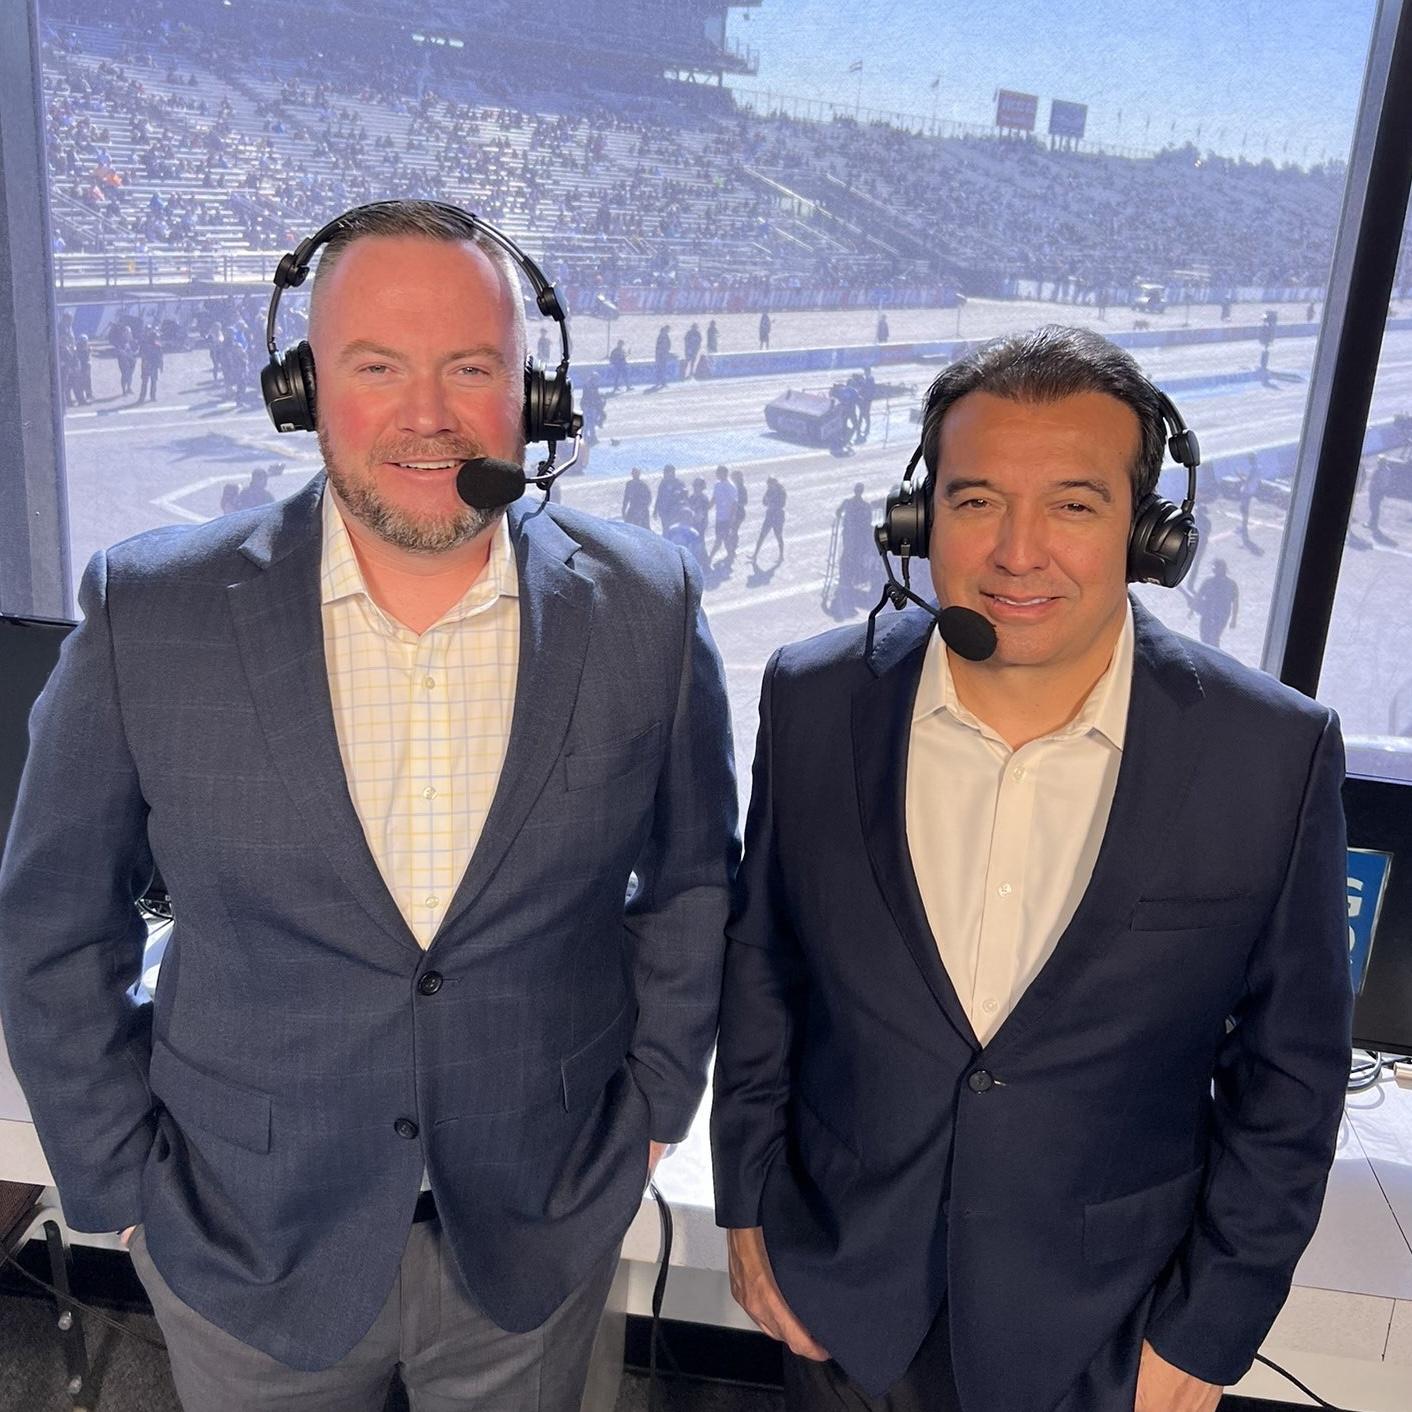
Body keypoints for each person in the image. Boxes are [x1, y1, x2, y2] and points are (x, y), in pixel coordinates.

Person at [0, 199, 738, 1412]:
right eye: (376, 366)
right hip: (238, 1238)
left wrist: (655, 1104)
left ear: (531, 394)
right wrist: (118, 1182)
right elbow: (56, 920)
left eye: (471, 367)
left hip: (538, 1226)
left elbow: (693, 881)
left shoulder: (644, 607)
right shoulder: (152, 609)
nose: (428, 414)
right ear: (301, 387)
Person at [712, 325, 1349, 1412]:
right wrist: (747, 1208)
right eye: (972, 501)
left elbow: (1288, 1073)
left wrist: (1204, 1331)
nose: (1015, 551)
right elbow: (765, 962)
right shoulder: (813, 700)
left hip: (1107, 1335)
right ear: (917, 518)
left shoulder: (1267, 752)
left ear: (1148, 534)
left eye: (1072, 503)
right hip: (842, 1305)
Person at [1190, 558, 1239, 648]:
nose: (1215, 569)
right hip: (1207, 612)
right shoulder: (1208, 582)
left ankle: (1215, 657)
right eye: (1215, 567)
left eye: (1217, 567)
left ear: (1223, 569)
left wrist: (1234, 619)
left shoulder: (1231, 585)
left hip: (1222, 614)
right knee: (1204, 636)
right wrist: (1192, 610)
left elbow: (1235, 602)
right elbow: (1199, 596)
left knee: (1214, 637)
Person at [751, 475, 786, 570]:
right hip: (770, 515)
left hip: (778, 516)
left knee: (778, 536)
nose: (769, 487)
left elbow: (782, 504)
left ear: (775, 483)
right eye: (768, 485)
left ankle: (781, 555)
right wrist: (767, 500)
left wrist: (771, 501)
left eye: (770, 484)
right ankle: (755, 555)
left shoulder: (781, 492)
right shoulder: (769, 491)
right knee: (762, 535)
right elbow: (764, 502)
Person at [709, 464, 739, 569]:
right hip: (719, 517)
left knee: (719, 539)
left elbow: (734, 504)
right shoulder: (717, 485)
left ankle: (710, 558)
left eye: (718, 473)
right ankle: (731, 555)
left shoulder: (731, 487)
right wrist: (708, 508)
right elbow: (714, 498)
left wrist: (731, 519)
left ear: (724, 473)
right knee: (725, 540)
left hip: (726, 518)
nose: (717, 474)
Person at [655, 462, 686, 532]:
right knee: (665, 529)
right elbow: (659, 496)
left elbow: (684, 498)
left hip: (674, 512)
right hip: (664, 511)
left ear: (672, 472)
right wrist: (655, 510)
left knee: (673, 529)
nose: (664, 474)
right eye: (664, 472)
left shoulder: (679, 483)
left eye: (666, 472)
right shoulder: (663, 483)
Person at [137, 323, 163, 403]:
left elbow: (141, 354)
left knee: (147, 382)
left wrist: (160, 365)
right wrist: (161, 366)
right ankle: (151, 397)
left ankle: (144, 397)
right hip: (151, 366)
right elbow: (160, 357)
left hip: (147, 366)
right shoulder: (156, 346)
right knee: (151, 382)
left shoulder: (145, 344)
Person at [113, 322, 138, 396]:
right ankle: (124, 390)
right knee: (124, 375)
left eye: (129, 332)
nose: (128, 334)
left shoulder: (132, 341)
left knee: (130, 375)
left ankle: (129, 388)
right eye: (127, 332)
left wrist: (134, 353)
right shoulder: (120, 341)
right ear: (124, 333)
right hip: (123, 361)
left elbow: (136, 349)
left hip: (132, 360)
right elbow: (118, 351)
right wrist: (124, 353)